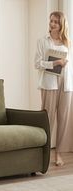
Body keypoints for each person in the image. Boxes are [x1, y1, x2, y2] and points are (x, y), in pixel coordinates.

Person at [35, 11, 73, 166]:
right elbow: (37, 63)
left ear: (61, 24)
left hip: (66, 84)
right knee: (47, 119)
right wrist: (55, 63)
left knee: (63, 120)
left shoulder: (67, 42)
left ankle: (58, 154)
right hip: (49, 83)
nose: (52, 24)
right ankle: (43, 153)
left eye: (56, 22)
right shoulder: (42, 41)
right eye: (51, 21)